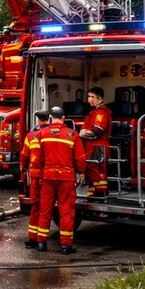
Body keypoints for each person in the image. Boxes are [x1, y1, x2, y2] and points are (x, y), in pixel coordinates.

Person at [34, 107, 87, 254]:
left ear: (50, 117)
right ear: (63, 118)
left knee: (45, 210)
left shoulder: (42, 134)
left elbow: (38, 159)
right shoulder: (72, 134)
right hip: (66, 178)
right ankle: (65, 246)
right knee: (66, 211)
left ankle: (41, 243)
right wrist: (81, 172)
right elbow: (80, 159)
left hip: (48, 177)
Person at [19, 110, 49, 248]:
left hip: (34, 177)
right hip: (47, 176)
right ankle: (41, 241)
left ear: (37, 120)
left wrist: (23, 169)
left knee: (35, 207)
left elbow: (24, 155)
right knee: (45, 208)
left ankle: (32, 238)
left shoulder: (30, 135)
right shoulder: (49, 135)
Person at [79, 86, 111, 198]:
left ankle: (101, 194)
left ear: (100, 98)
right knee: (90, 170)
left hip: (97, 146)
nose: (89, 99)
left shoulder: (101, 112)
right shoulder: (94, 111)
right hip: (91, 146)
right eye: (88, 96)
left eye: (92, 97)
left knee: (97, 170)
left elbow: (98, 130)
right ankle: (92, 193)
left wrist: (82, 134)